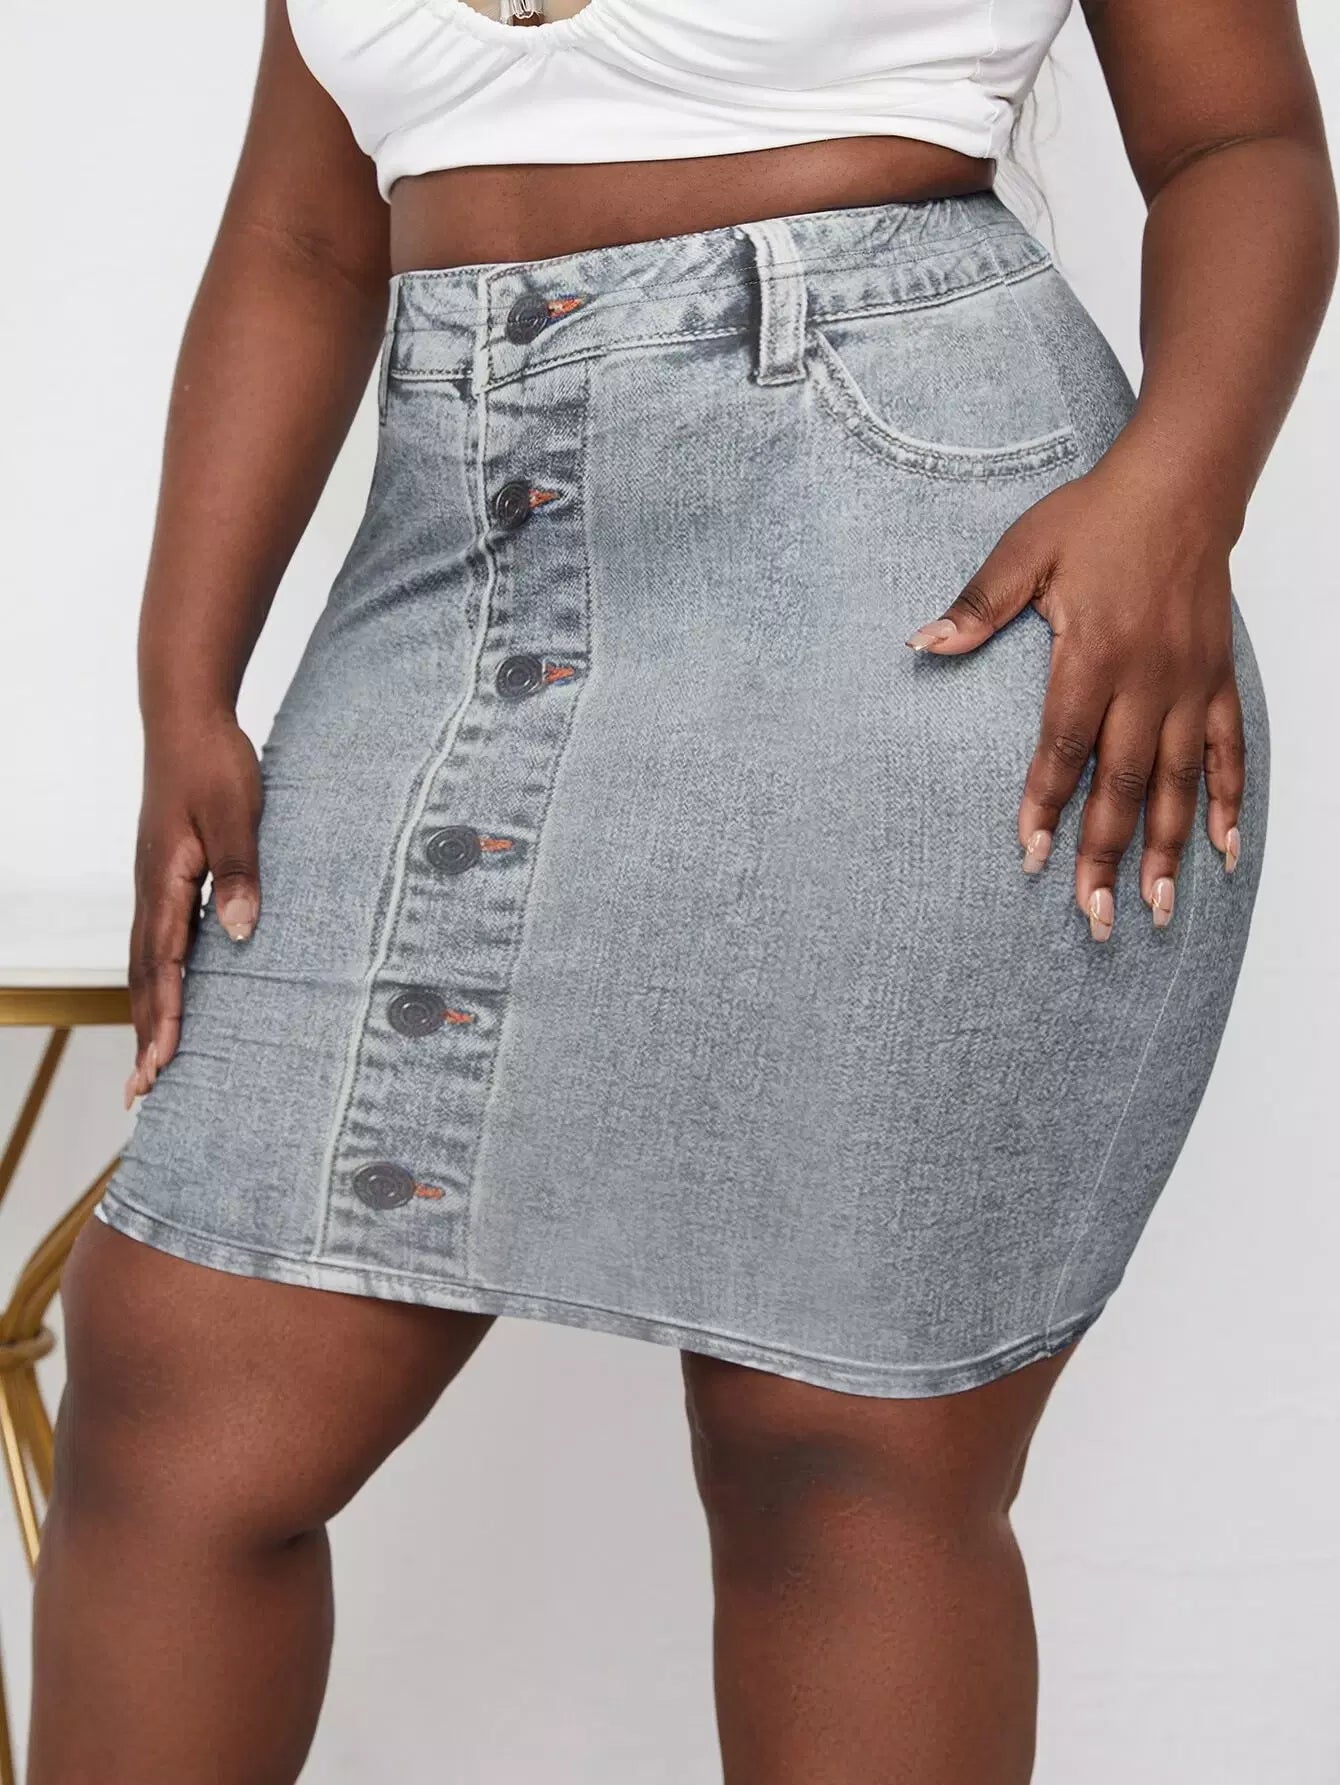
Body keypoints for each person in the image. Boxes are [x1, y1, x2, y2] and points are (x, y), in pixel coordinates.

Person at [29, 0, 1335, 1779]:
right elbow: (306, 234)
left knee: (838, 1451)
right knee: (178, 1396)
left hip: (914, 562)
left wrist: (1179, 498)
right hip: (453, 564)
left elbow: (1241, 142)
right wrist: (184, 684)